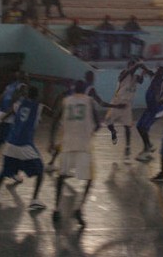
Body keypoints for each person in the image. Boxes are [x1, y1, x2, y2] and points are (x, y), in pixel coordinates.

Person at [0, 85, 46, 210]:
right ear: (37, 96)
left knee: (4, 172)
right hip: (25, 144)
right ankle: (34, 200)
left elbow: (7, 114)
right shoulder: (39, 107)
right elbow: (49, 115)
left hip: (11, 143)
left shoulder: (19, 103)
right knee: (40, 171)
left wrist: (0, 122)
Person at [52, 80, 100, 227]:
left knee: (61, 177)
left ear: (73, 90)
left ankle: (57, 209)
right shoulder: (89, 101)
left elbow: (55, 120)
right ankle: (79, 209)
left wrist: (51, 140)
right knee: (90, 179)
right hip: (84, 145)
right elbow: (98, 124)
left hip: (68, 144)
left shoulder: (66, 101)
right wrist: (89, 132)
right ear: (85, 90)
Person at [0, 71, 28, 178]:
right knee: (14, 146)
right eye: (26, 76)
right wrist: (6, 117)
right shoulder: (22, 88)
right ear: (24, 78)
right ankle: (13, 172)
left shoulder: (9, 86)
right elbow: (14, 106)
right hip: (8, 119)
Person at [105, 60, 144, 162]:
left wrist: (143, 70)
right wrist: (137, 65)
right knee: (108, 121)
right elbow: (130, 71)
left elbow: (141, 80)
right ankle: (113, 131)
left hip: (127, 105)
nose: (132, 68)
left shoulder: (135, 77)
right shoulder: (123, 73)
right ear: (128, 67)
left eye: (133, 66)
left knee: (127, 127)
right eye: (131, 66)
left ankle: (127, 147)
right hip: (117, 102)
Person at [135, 65, 163, 162]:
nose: (157, 72)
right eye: (157, 70)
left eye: (159, 71)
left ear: (162, 73)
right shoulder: (154, 76)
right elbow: (146, 69)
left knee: (143, 128)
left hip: (157, 109)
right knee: (139, 126)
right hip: (150, 108)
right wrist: (140, 64)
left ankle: (146, 151)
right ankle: (149, 145)